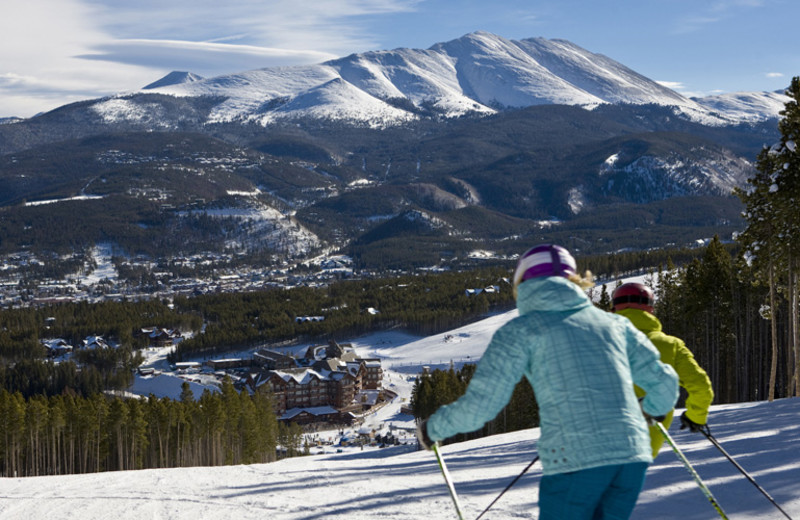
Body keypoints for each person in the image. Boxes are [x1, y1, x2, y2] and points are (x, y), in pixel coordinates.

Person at [416, 244, 679, 520]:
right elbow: (665, 383)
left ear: (523, 283)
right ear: (573, 280)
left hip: (574, 463)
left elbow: (482, 405)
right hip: (631, 459)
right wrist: (650, 409)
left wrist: (434, 427)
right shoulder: (615, 325)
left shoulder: (521, 331)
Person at [611, 282, 714, 457]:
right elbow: (701, 386)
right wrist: (696, 417)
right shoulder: (671, 346)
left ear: (615, 308)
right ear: (650, 309)